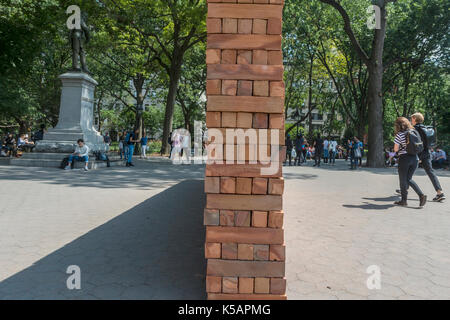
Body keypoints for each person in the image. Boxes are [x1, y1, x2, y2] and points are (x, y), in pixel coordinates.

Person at [410, 113, 445, 201]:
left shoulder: (414, 129)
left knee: (407, 171)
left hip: (417, 153)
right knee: (431, 172)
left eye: (411, 119)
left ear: (414, 119)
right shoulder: (426, 129)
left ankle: (404, 188)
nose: (411, 120)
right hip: (427, 153)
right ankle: (439, 192)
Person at [393, 117, 427, 207]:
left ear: (398, 125)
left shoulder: (399, 135)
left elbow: (395, 149)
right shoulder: (414, 132)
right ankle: (421, 196)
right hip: (415, 158)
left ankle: (404, 201)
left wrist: (399, 148)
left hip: (404, 158)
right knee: (408, 179)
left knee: (403, 180)